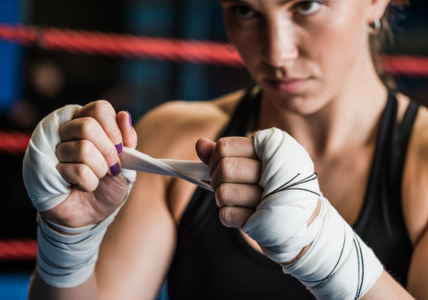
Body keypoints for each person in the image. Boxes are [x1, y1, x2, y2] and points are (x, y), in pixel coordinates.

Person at [23, 0, 428, 299]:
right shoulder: (173, 138)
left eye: (306, 6)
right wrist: (67, 240)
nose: (277, 53)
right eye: (245, 12)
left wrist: (327, 254)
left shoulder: (422, 165)